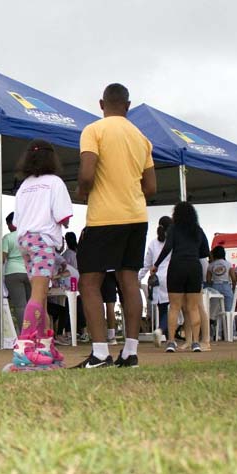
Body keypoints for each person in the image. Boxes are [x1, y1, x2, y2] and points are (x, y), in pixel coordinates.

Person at [75, 83, 156, 369]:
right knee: (129, 279)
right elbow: (151, 187)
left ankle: (100, 354)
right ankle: (130, 352)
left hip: (104, 217)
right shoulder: (142, 138)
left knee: (89, 282)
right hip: (136, 216)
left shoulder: (93, 130)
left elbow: (87, 173)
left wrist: (82, 191)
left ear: (101, 104)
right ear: (128, 105)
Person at [10, 138, 74, 369]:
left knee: (42, 295)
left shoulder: (24, 186)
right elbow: (63, 216)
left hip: (25, 241)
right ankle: (25, 348)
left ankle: (45, 345)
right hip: (43, 241)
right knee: (38, 295)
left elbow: (16, 221)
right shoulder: (55, 182)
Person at [156, 202, 209, 353]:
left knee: (174, 306)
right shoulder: (198, 230)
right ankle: (196, 342)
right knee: (193, 307)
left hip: (177, 266)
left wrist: (156, 264)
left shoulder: (173, 229)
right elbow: (205, 251)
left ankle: (171, 342)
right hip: (194, 267)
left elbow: (168, 248)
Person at [139, 216, 171, 347]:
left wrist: (138, 278)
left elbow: (146, 264)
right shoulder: (172, 242)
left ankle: (166, 336)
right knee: (174, 309)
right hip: (171, 278)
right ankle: (161, 330)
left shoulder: (153, 243)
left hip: (156, 280)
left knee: (162, 309)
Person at [0, 213, 29, 339]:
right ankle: (33, 332)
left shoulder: (7, 238)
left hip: (12, 272)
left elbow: (2, 258)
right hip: (29, 271)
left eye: (8, 224)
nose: (8, 226)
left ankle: (24, 334)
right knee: (31, 304)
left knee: (20, 305)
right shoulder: (29, 236)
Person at [207, 245, 235, 312]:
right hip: (226, 286)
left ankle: (216, 318)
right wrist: (233, 289)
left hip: (215, 286)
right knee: (228, 308)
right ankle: (228, 318)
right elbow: (234, 279)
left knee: (215, 309)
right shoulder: (228, 264)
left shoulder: (211, 265)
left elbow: (208, 280)